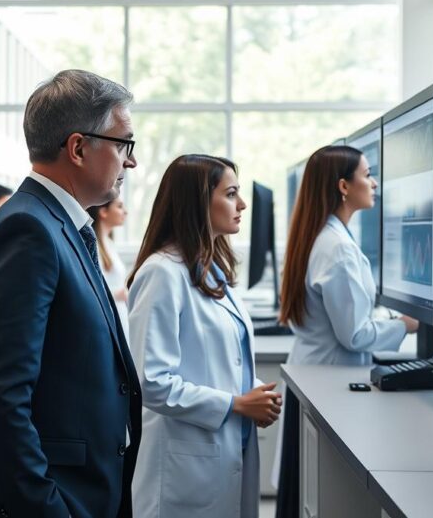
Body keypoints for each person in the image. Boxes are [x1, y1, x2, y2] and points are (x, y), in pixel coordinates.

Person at [0, 69, 142, 518]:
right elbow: (0, 399)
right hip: (52, 499)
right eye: (124, 144)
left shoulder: (59, 225)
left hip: (82, 489)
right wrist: (45, 508)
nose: (131, 162)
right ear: (77, 148)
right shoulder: (28, 230)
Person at [127, 154, 281, 518]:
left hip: (221, 452)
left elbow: (220, 359)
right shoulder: (163, 273)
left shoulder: (209, 269)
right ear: (197, 201)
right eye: (230, 194)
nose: (241, 205)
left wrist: (253, 394)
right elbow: (151, 383)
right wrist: (236, 404)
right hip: (184, 470)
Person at [273, 145, 418, 518]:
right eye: (367, 175)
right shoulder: (337, 248)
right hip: (329, 379)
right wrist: (405, 325)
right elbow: (353, 335)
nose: (374, 183)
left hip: (315, 373)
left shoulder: (320, 236)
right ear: (343, 186)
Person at [89, 198, 130, 336]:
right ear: (104, 212)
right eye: (119, 206)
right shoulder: (93, 246)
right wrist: (119, 294)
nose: (125, 212)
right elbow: (93, 290)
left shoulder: (110, 244)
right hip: (107, 316)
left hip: (119, 312)